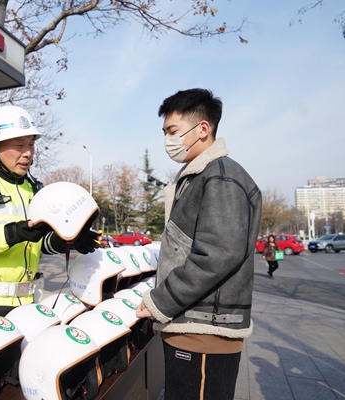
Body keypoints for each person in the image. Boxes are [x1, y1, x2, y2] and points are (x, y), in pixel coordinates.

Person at [0, 105, 98, 392]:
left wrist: (68, 241)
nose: (28, 153)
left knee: (17, 389)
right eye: (19, 145)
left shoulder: (34, 189)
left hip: (27, 308)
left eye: (31, 144)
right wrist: (11, 233)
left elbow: (38, 242)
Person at [137, 89, 262, 400]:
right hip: (191, 326)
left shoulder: (221, 177)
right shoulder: (199, 175)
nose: (168, 140)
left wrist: (160, 301)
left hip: (204, 330)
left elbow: (217, 255)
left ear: (203, 129)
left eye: (173, 131)